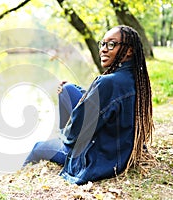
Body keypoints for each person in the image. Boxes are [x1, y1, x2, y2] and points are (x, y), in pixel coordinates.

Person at [23, 25, 153, 185]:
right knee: (67, 89)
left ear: (129, 51)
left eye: (111, 44)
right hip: (120, 148)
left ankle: (19, 171)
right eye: (103, 44)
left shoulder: (107, 83)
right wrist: (79, 92)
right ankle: (63, 134)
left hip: (97, 158)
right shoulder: (136, 79)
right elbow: (107, 104)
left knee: (38, 147)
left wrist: (66, 135)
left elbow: (75, 133)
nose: (104, 50)